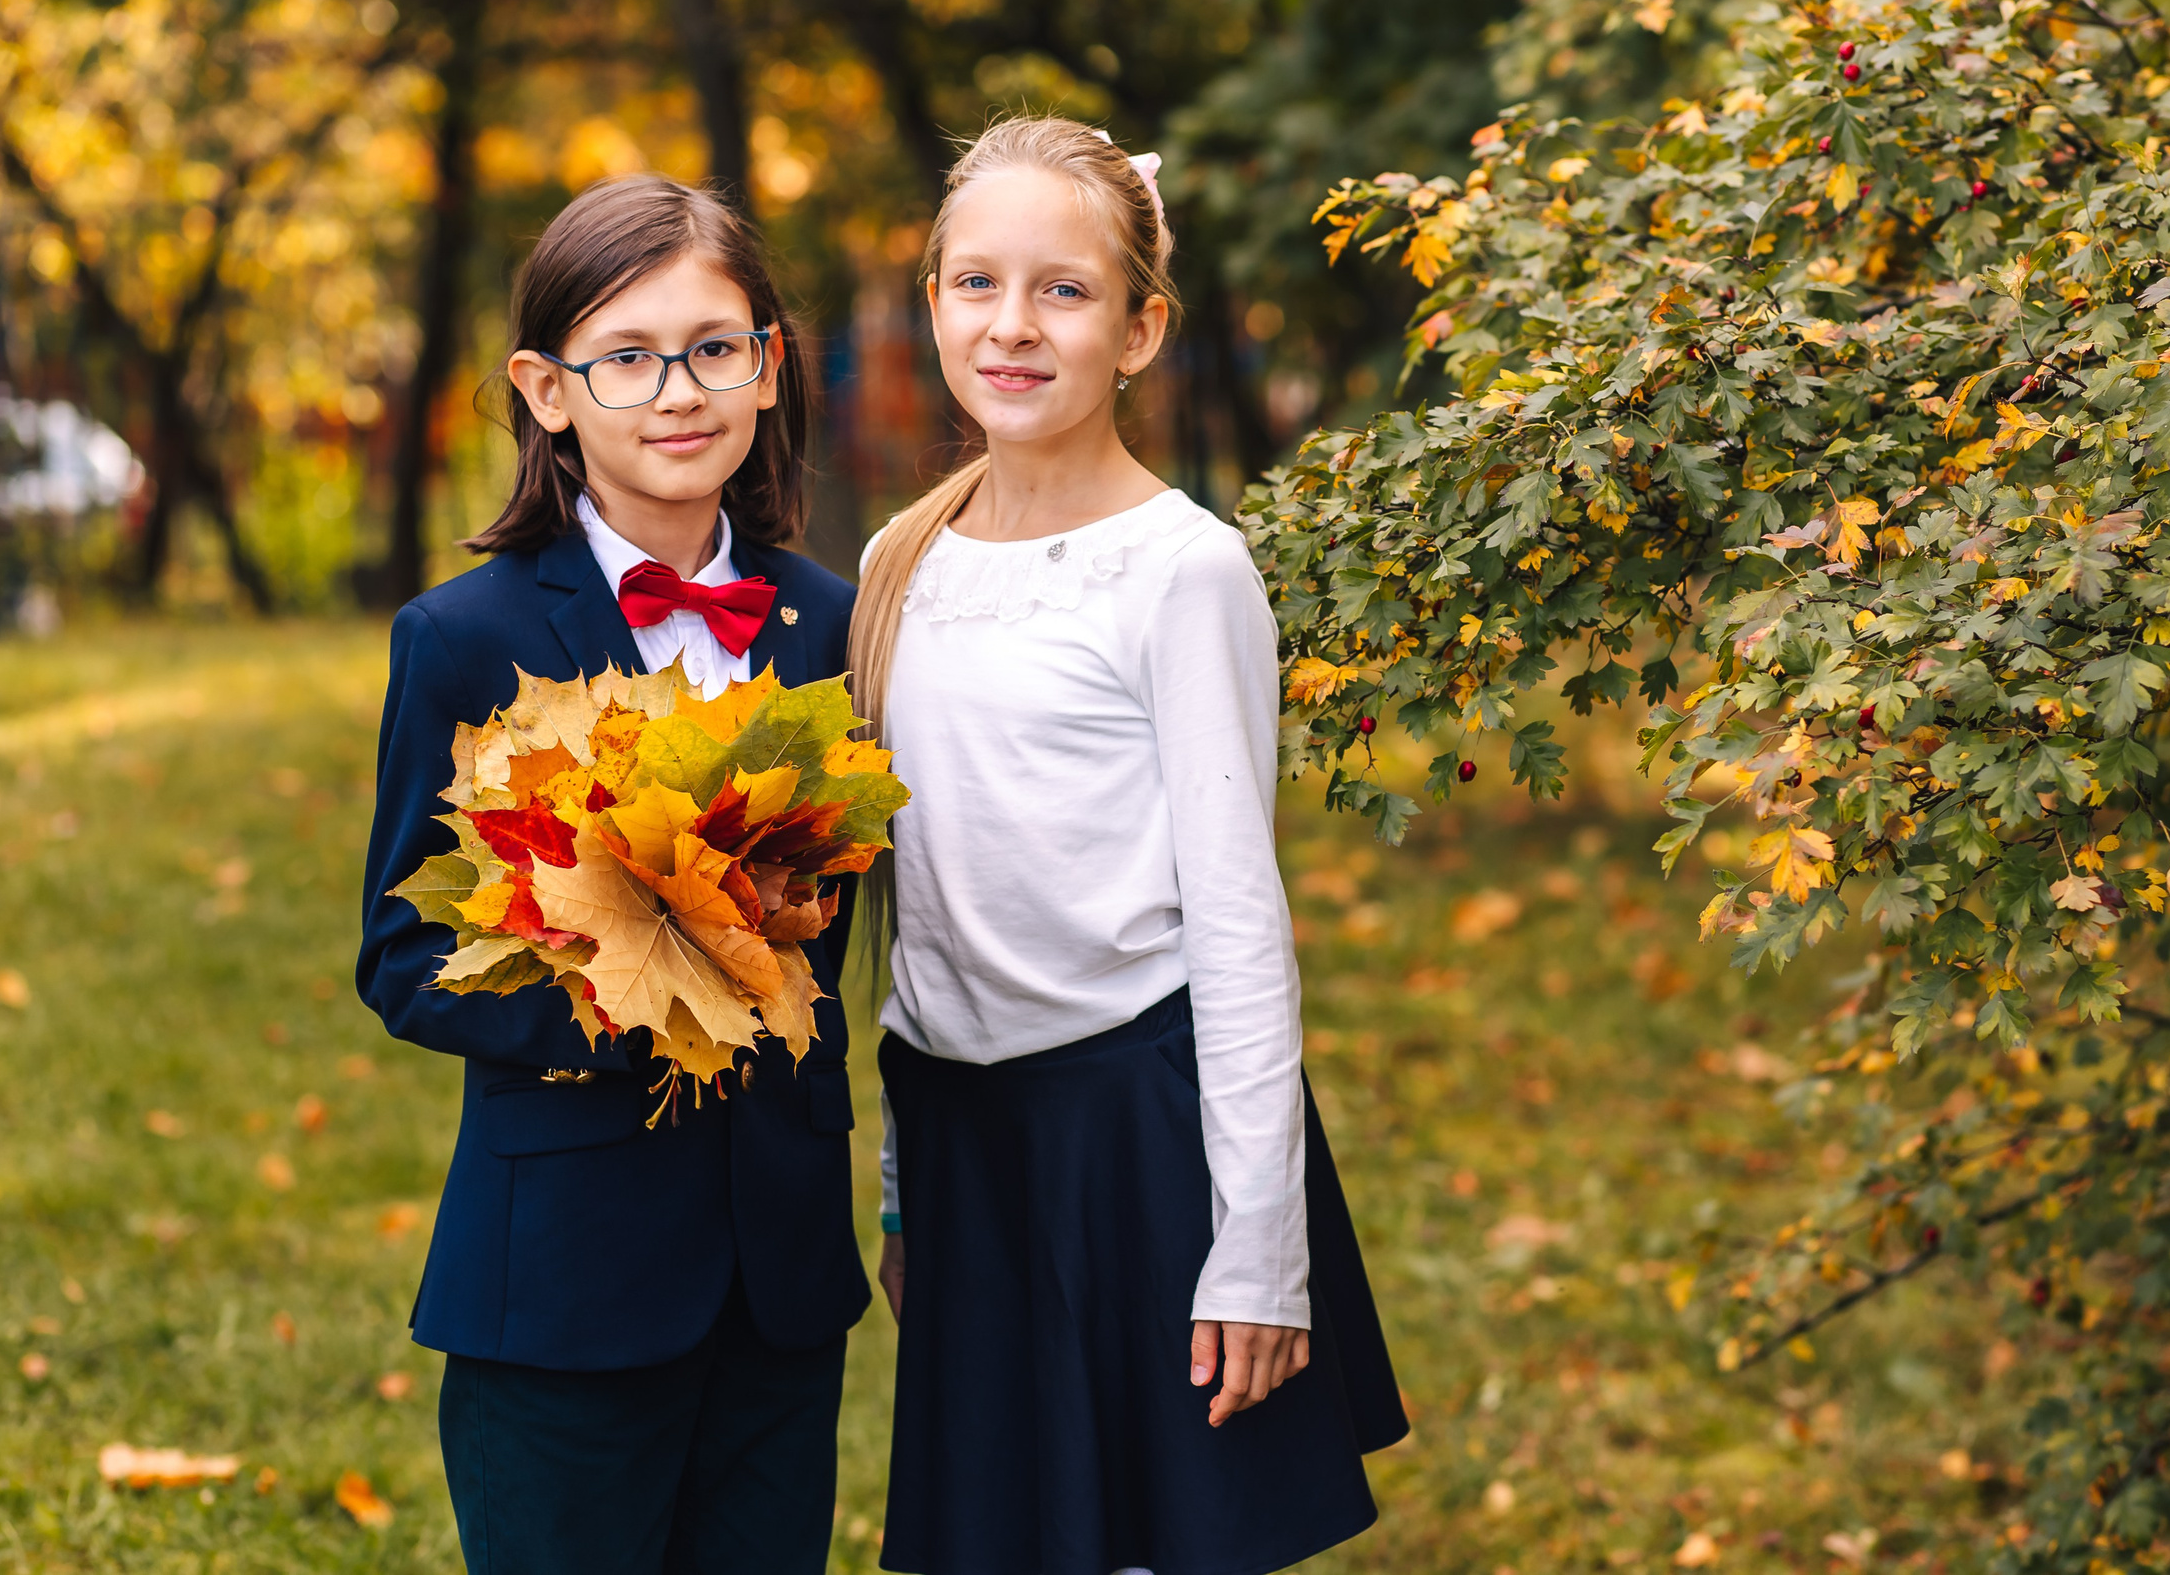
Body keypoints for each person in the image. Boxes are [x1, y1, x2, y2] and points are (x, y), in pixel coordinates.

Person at [852, 116, 1409, 1575]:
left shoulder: (1182, 571)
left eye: (1065, 290)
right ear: (933, 304)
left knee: (1153, 1545)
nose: (1013, 326)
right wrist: (908, 1191)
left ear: (1142, 330)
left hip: (1140, 1141)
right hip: (969, 1141)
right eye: (975, 283)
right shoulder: (897, 563)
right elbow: (909, 927)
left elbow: (1235, 920)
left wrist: (1259, 1247)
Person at [357, 173, 865, 1575]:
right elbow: (399, 958)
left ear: (765, 367)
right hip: (563, 1275)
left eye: (712, 348)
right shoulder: (462, 639)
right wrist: (636, 987)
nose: (675, 392)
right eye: (625, 358)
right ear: (547, 388)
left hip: (781, 1269)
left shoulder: (832, 624)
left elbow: (839, 922)